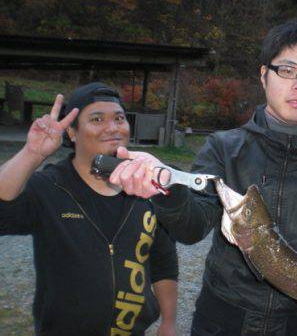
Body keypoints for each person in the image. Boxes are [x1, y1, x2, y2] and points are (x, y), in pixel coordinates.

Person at [110, 18, 297, 336]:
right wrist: (166, 185)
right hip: (222, 319)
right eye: (288, 70)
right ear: (264, 75)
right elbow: (192, 226)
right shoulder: (223, 147)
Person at [0, 82, 178, 336]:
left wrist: (169, 322)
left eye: (119, 118)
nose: (112, 127)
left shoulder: (145, 186)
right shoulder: (49, 187)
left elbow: (163, 260)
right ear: (72, 133)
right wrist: (32, 153)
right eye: (97, 119)